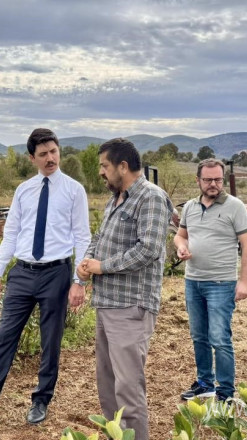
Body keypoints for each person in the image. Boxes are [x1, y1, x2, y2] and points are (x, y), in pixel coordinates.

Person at [0, 128, 91, 431]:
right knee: (3, 340)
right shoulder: (24, 191)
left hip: (56, 273)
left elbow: (83, 237)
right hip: (22, 274)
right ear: (32, 158)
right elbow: (11, 233)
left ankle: (41, 400)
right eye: (43, 154)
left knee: (50, 341)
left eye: (53, 151)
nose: (50, 158)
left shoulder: (74, 190)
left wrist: (78, 281)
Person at [77, 138, 173, 440]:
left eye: (104, 166)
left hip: (131, 307)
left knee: (128, 390)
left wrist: (102, 267)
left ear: (123, 166)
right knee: (108, 388)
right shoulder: (116, 198)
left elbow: (149, 249)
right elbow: (99, 237)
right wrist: (85, 264)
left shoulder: (151, 198)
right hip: (106, 305)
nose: (101, 173)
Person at [173, 158, 247, 403]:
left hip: (221, 284)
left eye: (217, 179)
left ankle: (226, 392)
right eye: (207, 180)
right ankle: (205, 383)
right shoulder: (190, 207)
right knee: (199, 336)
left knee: (219, 338)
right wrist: (181, 248)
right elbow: (180, 236)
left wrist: (244, 282)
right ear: (198, 180)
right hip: (193, 281)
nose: (213, 184)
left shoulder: (235, 206)